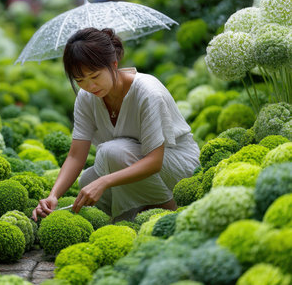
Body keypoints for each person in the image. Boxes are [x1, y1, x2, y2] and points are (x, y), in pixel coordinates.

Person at [32, 28, 200, 223]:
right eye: (80, 80)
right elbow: (76, 155)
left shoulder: (147, 92)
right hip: (130, 160)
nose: (90, 86)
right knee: (88, 180)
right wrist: (53, 196)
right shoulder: (86, 98)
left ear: (114, 64)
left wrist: (105, 181)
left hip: (176, 166)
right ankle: (137, 213)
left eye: (95, 76)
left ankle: (167, 209)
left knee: (112, 154)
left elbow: (155, 161)